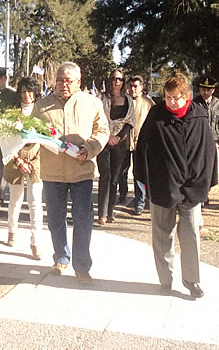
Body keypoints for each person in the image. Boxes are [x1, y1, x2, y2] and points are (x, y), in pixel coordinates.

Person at [136, 74, 217, 298]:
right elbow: (143, 147)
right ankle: (166, 279)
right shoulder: (156, 115)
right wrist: (143, 178)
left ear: (187, 97)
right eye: (168, 97)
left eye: (176, 98)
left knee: (191, 231)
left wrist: (205, 183)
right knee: (162, 234)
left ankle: (192, 280)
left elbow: (208, 152)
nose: (171, 102)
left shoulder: (199, 116)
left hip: (192, 187)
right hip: (164, 185)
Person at [33, 62, 109, 283]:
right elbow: (33, 133)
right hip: (52, 172)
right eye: (59, 80)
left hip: (82, 172)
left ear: (78, 82)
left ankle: (82, 266)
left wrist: (90, 149)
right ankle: (61, 257)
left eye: (68, 81)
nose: (63, 84)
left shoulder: (92, 103)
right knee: (56, 219)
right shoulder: (42, 105)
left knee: (83, 219)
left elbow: (102, 131)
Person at [4, 77, 43, 260]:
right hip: (15, 159)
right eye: (23, 92)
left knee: (35, 201)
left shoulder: (41, 112)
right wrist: (19, 161)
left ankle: (36, 242)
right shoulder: (12, 113)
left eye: (30, 91)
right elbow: (5, 139)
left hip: (36, 159)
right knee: (15, 199)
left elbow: (48, 137)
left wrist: (31, 161)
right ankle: (12, 230)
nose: (27, 95)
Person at [96, 68, 135, 225]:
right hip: (104, 142)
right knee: (105, 176)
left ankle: (110, 211)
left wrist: (118, 137)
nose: (116, 82)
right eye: (113, 79)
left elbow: (131, 122)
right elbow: (97, 119)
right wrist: (108, 137)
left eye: (119, 79)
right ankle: (101, 214)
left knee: (115, 179)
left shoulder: (129, 101)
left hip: (120, 144)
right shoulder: (101, 99)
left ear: (123, 82)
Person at [118, 76, 155, 215]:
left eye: (136, 86)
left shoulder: (148, 103)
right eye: (131, 86)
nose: (133, 89)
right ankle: (122, 194)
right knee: (122, 171)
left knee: (139, 173)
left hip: (141, 143)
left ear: (141, 87)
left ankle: (140, 201)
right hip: (124, 141)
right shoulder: (124, 101)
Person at [193, 75, 219, 205]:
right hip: (197, 141)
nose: (205, 92)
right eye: (203, 89)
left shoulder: (218, 104)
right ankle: (200, 195)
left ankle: (205, 191)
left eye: (208, 90)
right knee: (199, 168)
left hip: (213, 140)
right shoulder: (195, 103)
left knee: (212, 169)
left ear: (213, 90)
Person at [0, 67, 18, 214]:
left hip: (8, 135)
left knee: (5, 166)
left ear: (5, 79)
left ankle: (0, 194)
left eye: (1, 78)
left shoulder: (12, 95)